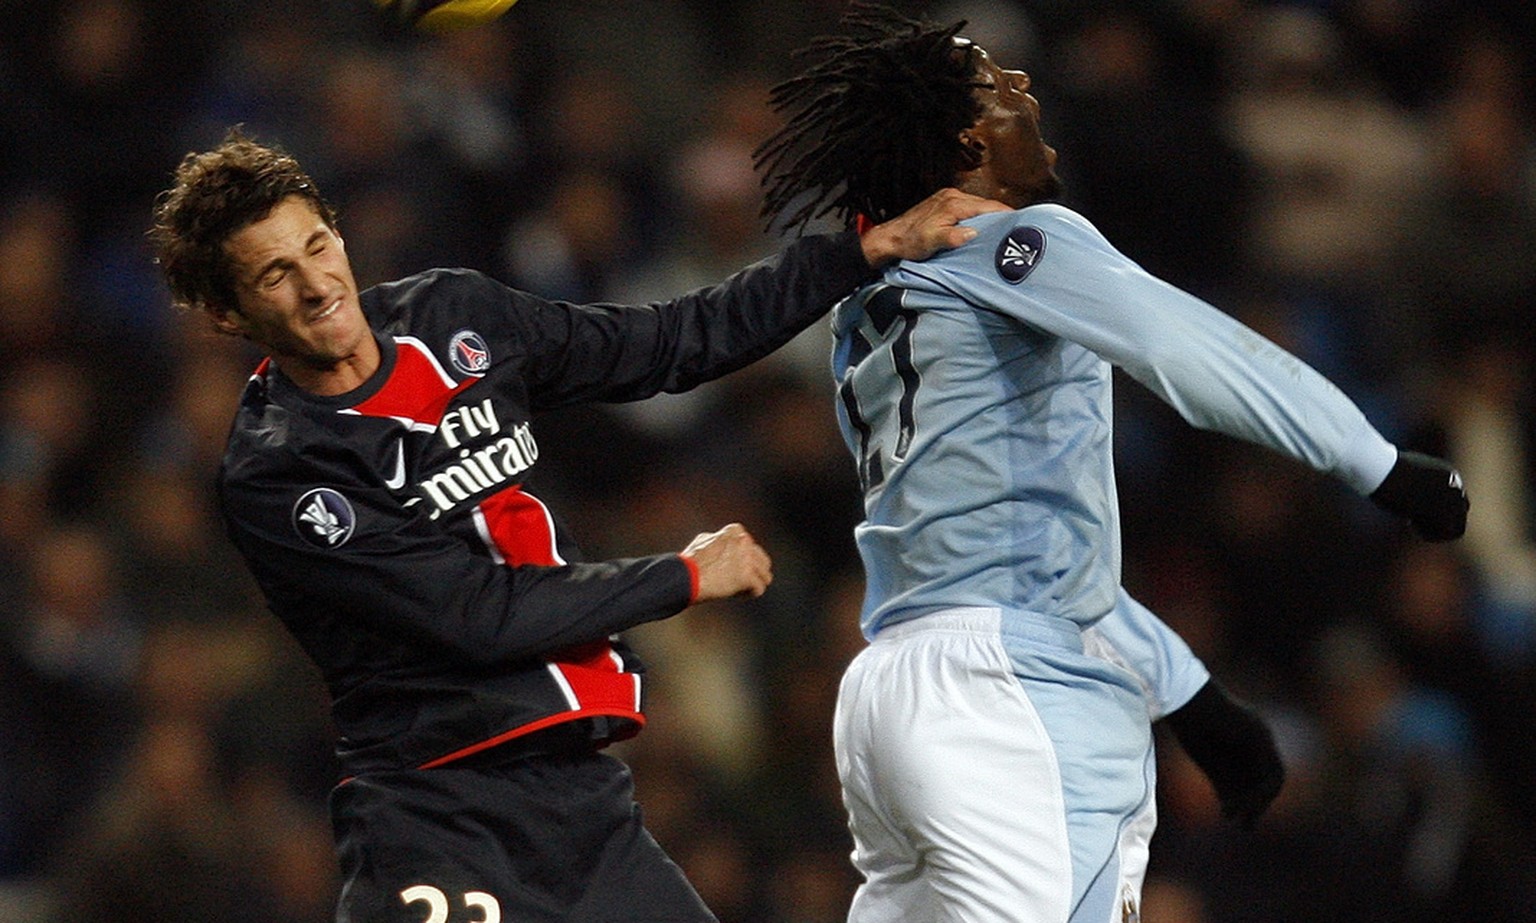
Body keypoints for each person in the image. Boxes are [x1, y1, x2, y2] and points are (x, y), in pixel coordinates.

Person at [148, 129, 1005, 923]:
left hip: (580, 804)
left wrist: (857, 253)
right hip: (438, 817)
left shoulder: (455, 318)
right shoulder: (280, 472)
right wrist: (681, 575)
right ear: (228, 315)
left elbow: (670, 341)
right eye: (273, 275)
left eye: (317, 245)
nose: (316, 282)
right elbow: (476, 616)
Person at [753, 5, 1470, 922]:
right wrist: (1378, 461)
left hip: (890, 692)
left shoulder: (867, 314)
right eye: (1002, 87)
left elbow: (1022, 570)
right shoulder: (1016, 239)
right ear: (968, 141)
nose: (1028, 93)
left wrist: (1195, 697)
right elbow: (1187, 350)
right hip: (1008, 697)